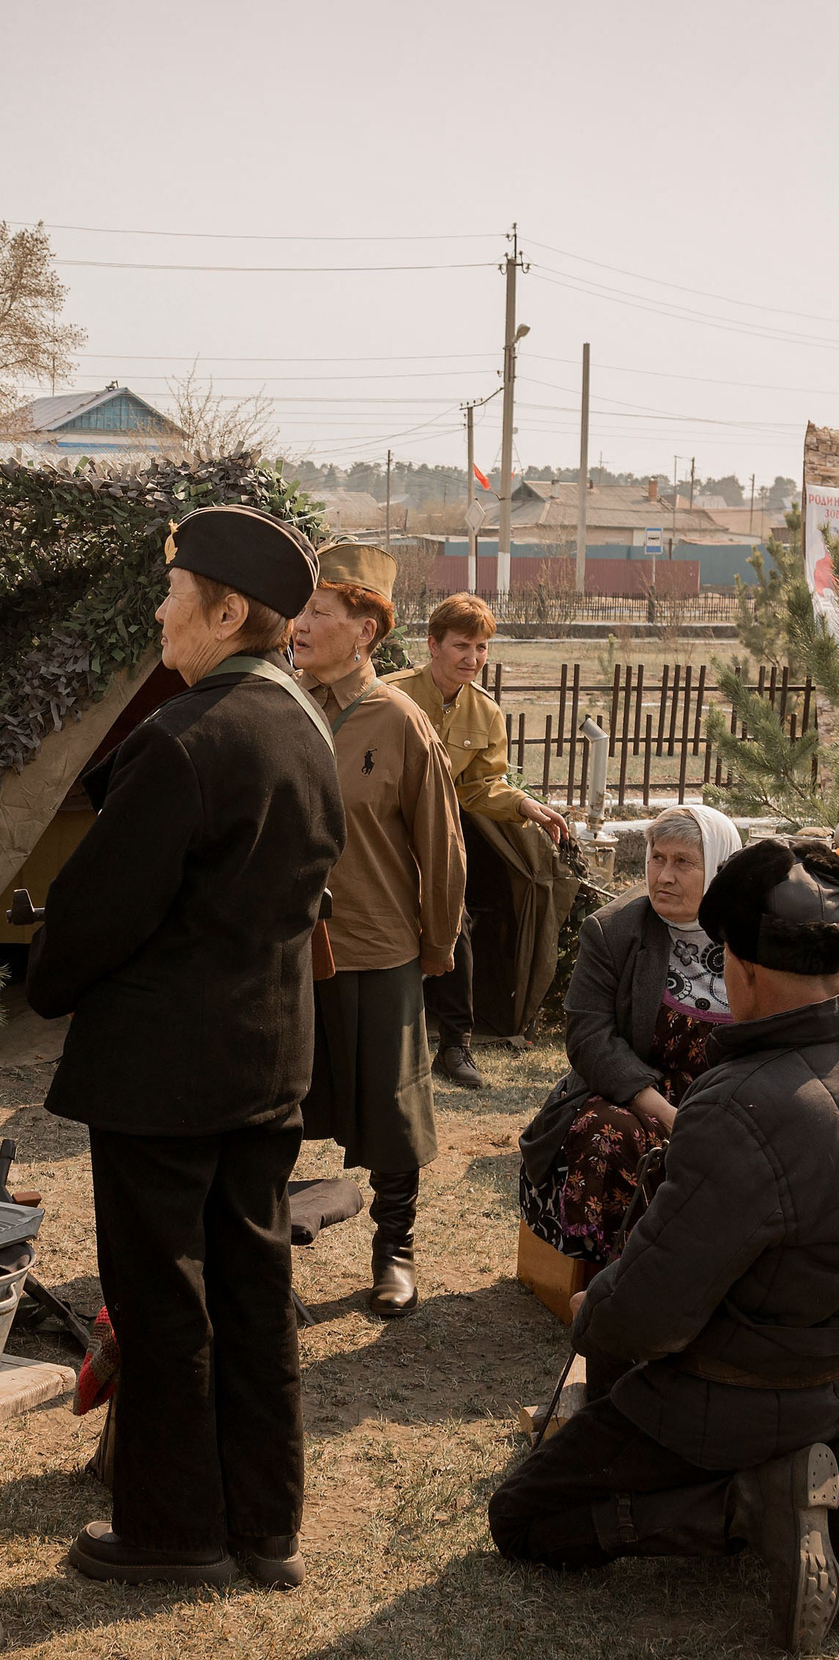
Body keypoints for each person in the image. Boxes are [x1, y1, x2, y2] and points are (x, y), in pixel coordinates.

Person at [488, 839, 839, 1656]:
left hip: (729, 1405)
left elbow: (645, 1315)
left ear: (741, 970)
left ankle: (755, 1500)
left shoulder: (742, 1105)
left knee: (526, 1518)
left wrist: (588, 1313)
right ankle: (822, 1479)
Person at [25, 505, 344, 1590]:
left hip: (166, 1071)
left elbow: (94, 910)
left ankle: (174, 1529)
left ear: (227, 609)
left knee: (165, 1295)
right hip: (264, 1059)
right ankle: (265, 1524)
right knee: (249, 1288)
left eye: (175, 592)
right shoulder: (300, 717)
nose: (160, 609)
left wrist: (46, 977)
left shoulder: (185, 737)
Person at [292, 542, 464, 1317]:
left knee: (394, 1113)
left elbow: (442, 845)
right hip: (286, 954)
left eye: (317, 611)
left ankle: (394, 1249)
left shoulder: (400, 721)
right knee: (276, 1108)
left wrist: (434, 945)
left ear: (365, 629)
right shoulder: (281, 705)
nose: (298, 625)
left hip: (376, 949)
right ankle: (263, 1249)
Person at [520, 803, 743, 1271]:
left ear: (720, 867)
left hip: (729, 1098)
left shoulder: (752, 935)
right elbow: (588, 1037)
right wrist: (663, 1113)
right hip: (634, 1094)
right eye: (657, 857)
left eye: (683, 862)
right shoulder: (615, 930)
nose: (663, 875)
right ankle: (612, 1279)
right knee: (608, 1133)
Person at [384, 591, 569, 1089]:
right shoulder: (389, 695)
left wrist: (525, 804)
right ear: (433, 645)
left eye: (482, 648)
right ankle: (379, 1040)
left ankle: (455, 1045)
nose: (473, 659)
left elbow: (479, 786)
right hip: (378, 834)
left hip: (438, 838)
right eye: (462, 646)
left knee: (454, 922)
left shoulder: (486, 713)